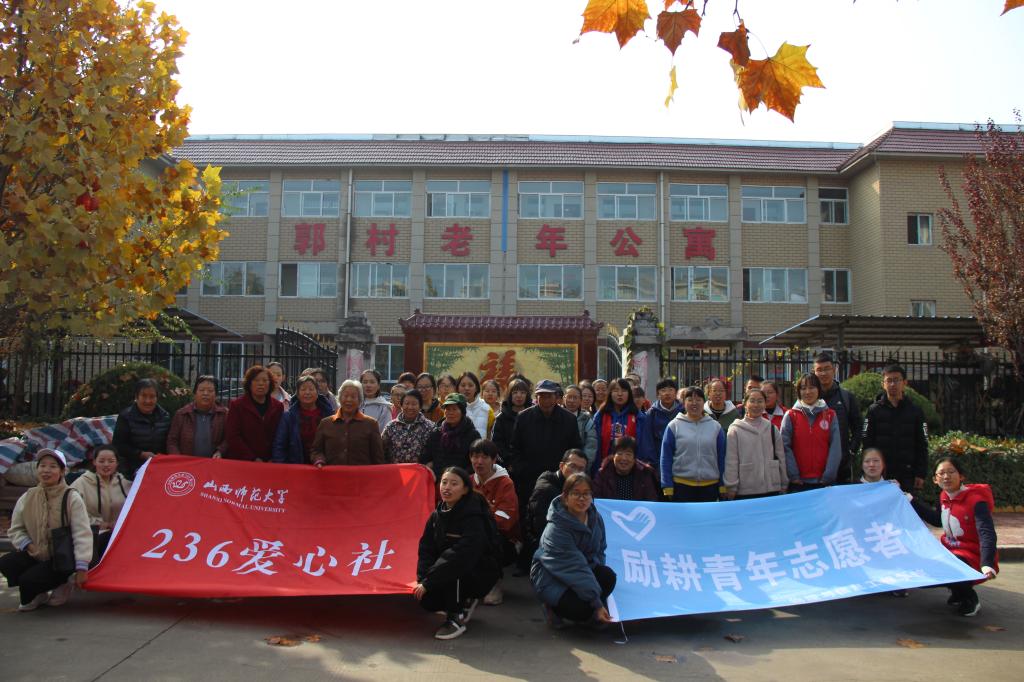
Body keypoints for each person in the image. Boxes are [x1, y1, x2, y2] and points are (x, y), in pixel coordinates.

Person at [414, 466, 501, 640]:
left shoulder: (473, 516)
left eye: (454, 484)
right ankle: (461, 601)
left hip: (479, 571)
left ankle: (455, 618)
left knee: (456, 567)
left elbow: (462, 555)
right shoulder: (437, 515)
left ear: (465, 489)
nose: (447, 488)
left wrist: (431, 580)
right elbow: (426, 549)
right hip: (449, 569)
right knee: (427, 599)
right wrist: (423, 579)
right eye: (444, 482)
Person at [0, 449, 92, 611]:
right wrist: (29, 545)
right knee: (7, 563)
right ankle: (38, 593)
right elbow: (16, 529)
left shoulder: (71, 497)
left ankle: (64, 582)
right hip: (36, 553)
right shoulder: (28, 496)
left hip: (62, 558)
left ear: (62, 471)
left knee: (29, 580)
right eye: (42, 466)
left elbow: (82, 534)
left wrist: (82, 567)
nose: (46, 470)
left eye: (53, 466)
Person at [910, 458, 998, 616]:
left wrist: (987, 563)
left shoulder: (976, 501)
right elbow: (938, 520)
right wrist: (911, 501)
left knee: (950, 566)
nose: (946, 477)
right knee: (921, 572)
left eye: (951, 472)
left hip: (973, 555)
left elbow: (987, 532)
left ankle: (970, 598)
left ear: (961, 476)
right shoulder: (944, 496)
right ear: (935, 479)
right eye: (941, 473)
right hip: (950, 552)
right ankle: (958, 590)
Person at [531, 473, 616, 629]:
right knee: (581, 611)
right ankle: (552, 607)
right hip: (552, 576)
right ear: (565, 497)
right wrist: (597, 604)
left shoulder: (596, 517)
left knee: (607, 576)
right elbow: (575, 567)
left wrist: (597, 594)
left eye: (586, 493)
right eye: (576, 493)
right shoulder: (556, 529)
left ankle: (591, 610)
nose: (582, 499)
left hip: (583, 571)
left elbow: (600, 550)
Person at [509, 380, 584, 523]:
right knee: (530, 518)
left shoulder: (569, 419)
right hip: (529, 479)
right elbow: (515, 448)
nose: (545, 400)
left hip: (559, 479)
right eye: (541, 396)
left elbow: (575, 448)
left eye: (549, 396)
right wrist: (521, 470)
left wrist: (568, 472)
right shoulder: (524, 417)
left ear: (556, 397)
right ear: (536, 397)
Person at [520, 449, 589, 575]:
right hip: (544, 550)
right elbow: (539, 528)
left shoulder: (581, 490)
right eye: (572, 466)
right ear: (561, 466)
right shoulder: (546, 489)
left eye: (581, 469)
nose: (576, 472)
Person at [862, 364, 929, 492]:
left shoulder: (915, 411)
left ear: (904, 383)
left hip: (907, 473)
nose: (893, 384)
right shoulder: (874, 411)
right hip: (881, 473)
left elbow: (922, 443)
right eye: (889, 380)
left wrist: (921, 472)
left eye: (897, 380)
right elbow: (867, 442)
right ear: (883, 384)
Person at [469, 438, 520, 605]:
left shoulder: (505, 483)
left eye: (484, 457)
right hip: (472, 533)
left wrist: (477, 523)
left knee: (488, 540)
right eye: (475, 456)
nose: (479, 461)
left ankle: (493, 584)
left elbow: (505, 520)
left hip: (504, 539)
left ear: (494, 459)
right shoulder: (468, 481)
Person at [660, 386, 726, 502]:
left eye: (698, 400)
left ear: (704, 402)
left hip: (710, 486)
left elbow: (722, 457)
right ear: (683, 403)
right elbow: (666, 457)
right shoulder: (674, 426)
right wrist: (667, 485)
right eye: (690, 400)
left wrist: (722, 484)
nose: (694, 403)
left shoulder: (715, 427)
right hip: (681, 485)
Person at [723, 388, 786, 500]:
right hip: (745, 489)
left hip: (771, 488)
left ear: (765, 404)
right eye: (752, 401)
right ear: (745, 404)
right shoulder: (735, 430)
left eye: (760, 401)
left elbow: (781, 457)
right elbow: (731, 461)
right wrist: (731, 486)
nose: (756, 405)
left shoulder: (772, 428)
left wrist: (784, 482)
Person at [781, 373, 841, 490]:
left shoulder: (830, 415)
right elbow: (784, 446)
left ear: (819, 389)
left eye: (812, 387)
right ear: (799, 391)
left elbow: (835, 446)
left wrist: (829, 475)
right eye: (803, 388)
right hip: (798, 482)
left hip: (824, 482)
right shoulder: (791, 415)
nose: (807, 392)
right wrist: (793, 475)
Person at [70, 446, 129, 563]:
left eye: (111, 461)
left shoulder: (126, 483)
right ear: (94, 462)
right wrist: (98, 524)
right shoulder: (81, 483)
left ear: (117, 463)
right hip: (90, 537)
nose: (106, 465)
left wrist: (119, 524)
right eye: (101, 461)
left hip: (120, 535)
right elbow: (72, 511)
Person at [813, 352, 862, 484]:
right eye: (819, 370)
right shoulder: (809, 398)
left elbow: (859, 426)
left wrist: (852, 450)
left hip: (842, 463)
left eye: (827, 368)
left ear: (834, 369)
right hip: (815, 463)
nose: (823, 373)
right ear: (814, 372)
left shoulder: (846, 397)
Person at [310, 380, 385, 466]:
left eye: (353, 397)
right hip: (332, 473)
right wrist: (319, 460)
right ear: (339, 398)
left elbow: (378, 457)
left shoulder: (371, 424)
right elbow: (316, 451)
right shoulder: (325, 423)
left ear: (359, 400)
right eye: (345, 396)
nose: (349, 399)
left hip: (361, 474)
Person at [585, 377, 649, 474]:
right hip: (605, 468)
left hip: (632, 468)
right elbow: (595, 444)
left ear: (629, 394)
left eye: (624, 391)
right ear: (610, 393)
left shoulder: (638, 416)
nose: (620, 394)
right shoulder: (601, 415)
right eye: (615, 390)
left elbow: (643, 445)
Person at [112, 378, 171, 477]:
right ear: (136, 397)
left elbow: (169, 443)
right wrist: (140, 454)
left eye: (152, 396)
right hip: (131, 469)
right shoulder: (126, 417)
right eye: (144, 396)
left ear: (157, 397)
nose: (148, 401)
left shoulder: (165, 417)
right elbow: (118, 445)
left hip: (159, 467)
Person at [225, 365, 284, 462]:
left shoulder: (278, 406)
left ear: (270, 384)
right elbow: (233, 436)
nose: (261, 383)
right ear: (249, 383)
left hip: (270, 462)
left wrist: (274, 457)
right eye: (256, 380)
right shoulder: (237, 405)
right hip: (243, 461)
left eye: (265, 380)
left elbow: (280, 435)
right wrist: (252, 458)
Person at [272, 375, 334, 464]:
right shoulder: (288, 417)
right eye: (303, 389)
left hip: (323, 465)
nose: (307, 392)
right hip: (296, 466)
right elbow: (279, 445)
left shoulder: (328, 415)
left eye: (311, 389)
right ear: (297, 394)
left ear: (317, 393)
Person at [420, 393, 481, 480]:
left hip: (462, 480)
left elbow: (476, 462)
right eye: (447, 409)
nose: (450, 412)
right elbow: (425, 457)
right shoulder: (437, 433)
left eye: (454, 409)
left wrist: (459, 476)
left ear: (462, 412)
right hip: (438, 480)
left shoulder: (472, 435)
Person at [166, 375, 228, 458]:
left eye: (210, 391)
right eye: (201, 390)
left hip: (214, 463)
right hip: (187, 463)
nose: (205, 393)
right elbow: (172, 441)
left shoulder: (224, 414)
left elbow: (228, 439)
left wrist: (220, 451)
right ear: (195, 393)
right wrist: (178, 458)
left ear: (216, 394)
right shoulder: (181, 414)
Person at [593, 436, 660, 502]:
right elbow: (596, 500)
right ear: (613, 456)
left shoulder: (645, 473)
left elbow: (651, 499)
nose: (624, 458)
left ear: (634, 458)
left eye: (628, 454)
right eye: (620, 453)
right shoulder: (603, 474)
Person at [382, 389, 435, 464]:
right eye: (406, 403)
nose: (410, 407)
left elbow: (435, 453)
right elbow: (381, 449)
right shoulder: (391, 426)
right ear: (401, 405)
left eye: (414, 404)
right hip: (395, 470)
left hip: (420, 470)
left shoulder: (430, 427)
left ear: (420, 406)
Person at [491, 378, 532, 465]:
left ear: (527, 395)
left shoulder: (533, 415)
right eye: (515, 392)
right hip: (507, 466)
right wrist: (509, 462)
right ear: (509, 395)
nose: (519, 395)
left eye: (523, 392)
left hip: (530, 464)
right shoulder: (501, 418)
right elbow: (496, 444)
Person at [645, 377, 681, 472]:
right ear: (658, 394)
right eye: (663, 390)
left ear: (676, 393)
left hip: (681, 460)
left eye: (670, 390)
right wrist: (654, 463)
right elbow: (648, 441)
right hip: (659, 461)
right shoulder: (651, 413)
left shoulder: (683, 411)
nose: (667, 393)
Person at [459, 371, 495, 439]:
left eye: (470, 385)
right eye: (463, 385)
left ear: (476, 388)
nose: (466, 388)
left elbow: (489, 436)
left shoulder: (487, 409)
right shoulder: (451, 408)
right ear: (458, 388)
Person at [359, 368, 393, 433]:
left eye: (372, 382)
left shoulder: (384, 407)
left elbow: (386, 432)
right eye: (365, 382)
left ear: (378, 385)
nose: (368, 385)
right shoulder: (356, 404)